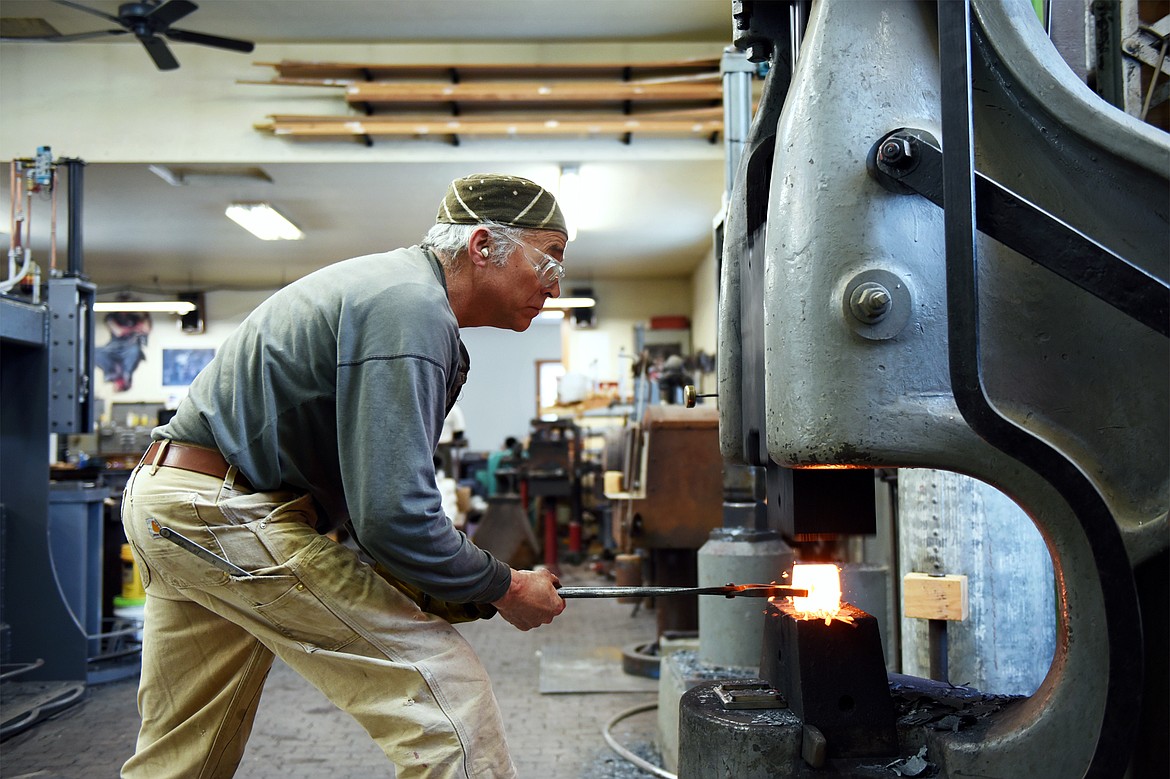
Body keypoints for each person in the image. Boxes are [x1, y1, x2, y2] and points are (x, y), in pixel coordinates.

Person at [119, 174, 569, 779]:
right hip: (220, 512)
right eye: (550, 259)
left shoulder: (397, 293)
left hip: (175, 504)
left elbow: (368, 507)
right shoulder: (410, 307)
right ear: (483, 245)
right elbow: (393, 517)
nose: (556, 284)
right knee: (445, 696)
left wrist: (448, 582)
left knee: (183, 751)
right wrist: (503, 586)